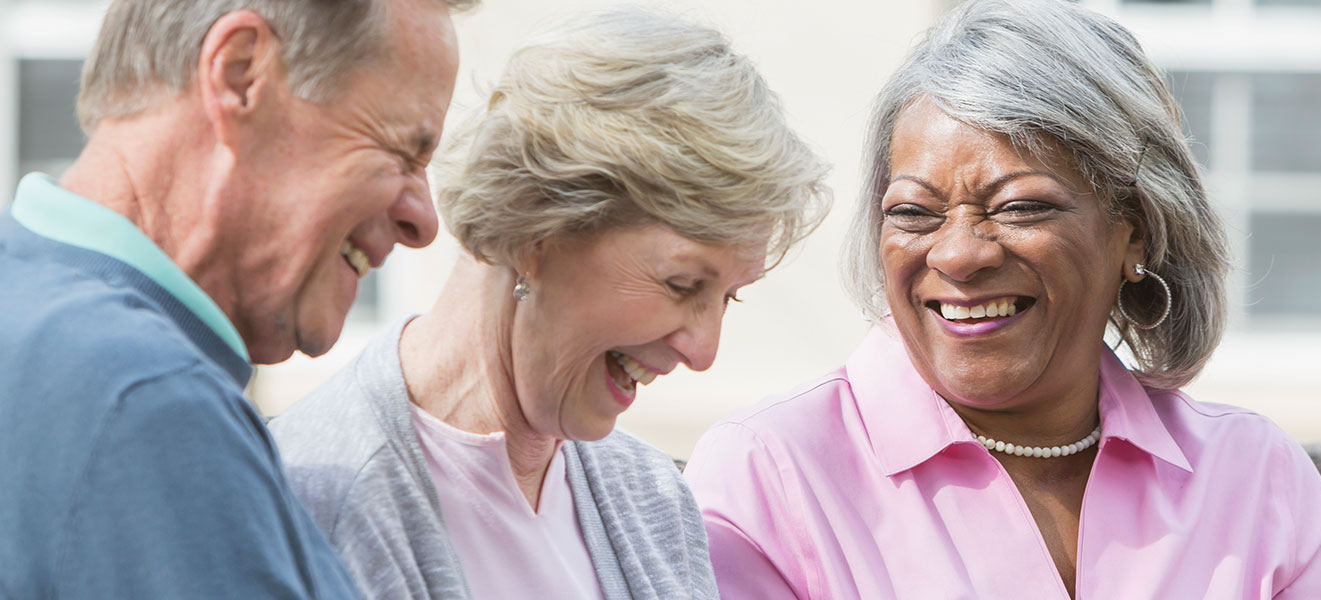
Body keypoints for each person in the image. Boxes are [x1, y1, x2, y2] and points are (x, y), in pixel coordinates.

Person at [683, 1, 1321, 597]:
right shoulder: (769, 473)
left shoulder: (1254, 477)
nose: (958, 255)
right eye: (914, 213)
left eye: (1020, 207)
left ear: (1137, 230)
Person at [266, 6, 829, 600]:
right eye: (682, 284)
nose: (703, 351)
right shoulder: (312, 501)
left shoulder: (653, 496)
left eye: (729, 297)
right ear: (534, 227)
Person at [0, 0, 469, 596]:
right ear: (242, 75)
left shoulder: (36, 317)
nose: (424, 221)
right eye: (403, 151)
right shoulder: (148, 404)